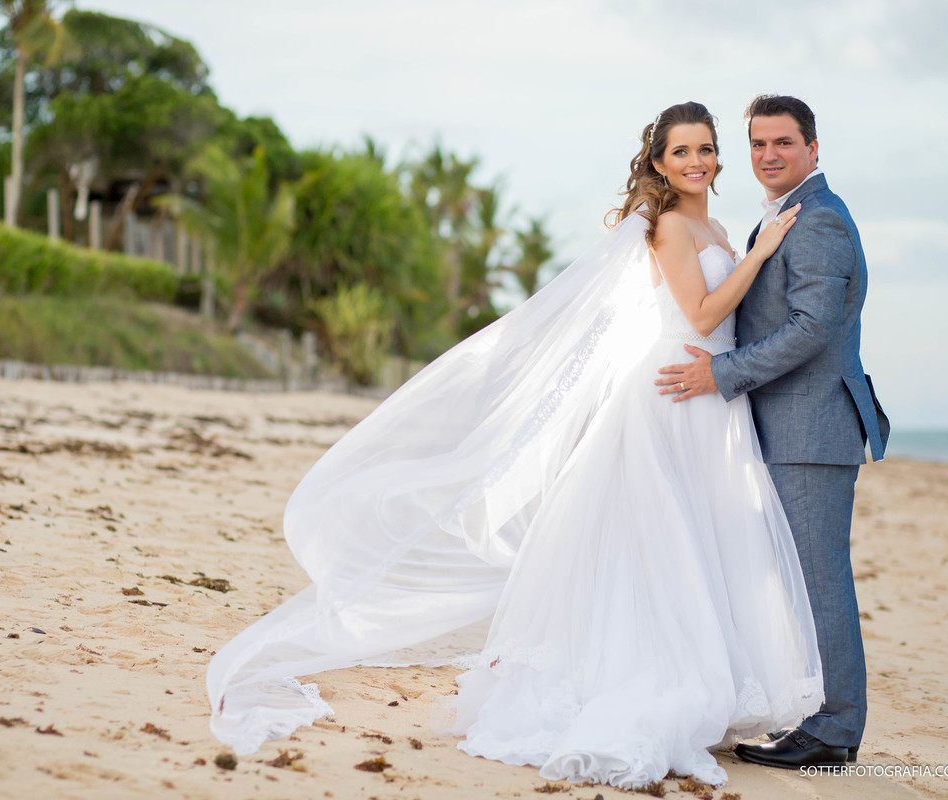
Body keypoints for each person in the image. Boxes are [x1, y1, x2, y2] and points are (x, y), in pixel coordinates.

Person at [206, 102, 823, 788]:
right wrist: (764, 253)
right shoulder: (673, 226)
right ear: (658, 163)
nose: (697, 162)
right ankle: (657, 677)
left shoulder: (714, 223)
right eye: (682, 152)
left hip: (711, 400)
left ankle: (712, 679)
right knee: (665, 543)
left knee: (700, 543)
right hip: (676, 391)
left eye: (706, 149)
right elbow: (704, 313)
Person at [656, 95, 890, 769]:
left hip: (811, 429)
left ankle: (836, 730)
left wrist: (721, 373)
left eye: (783, 143)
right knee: (797, 582)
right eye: (758, 143)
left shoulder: (818, 220)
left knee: (820, 581)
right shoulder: (787, 214)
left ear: (814, 149)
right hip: (788, 426)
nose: (768, 155)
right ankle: (815, 716)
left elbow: (813, 329)